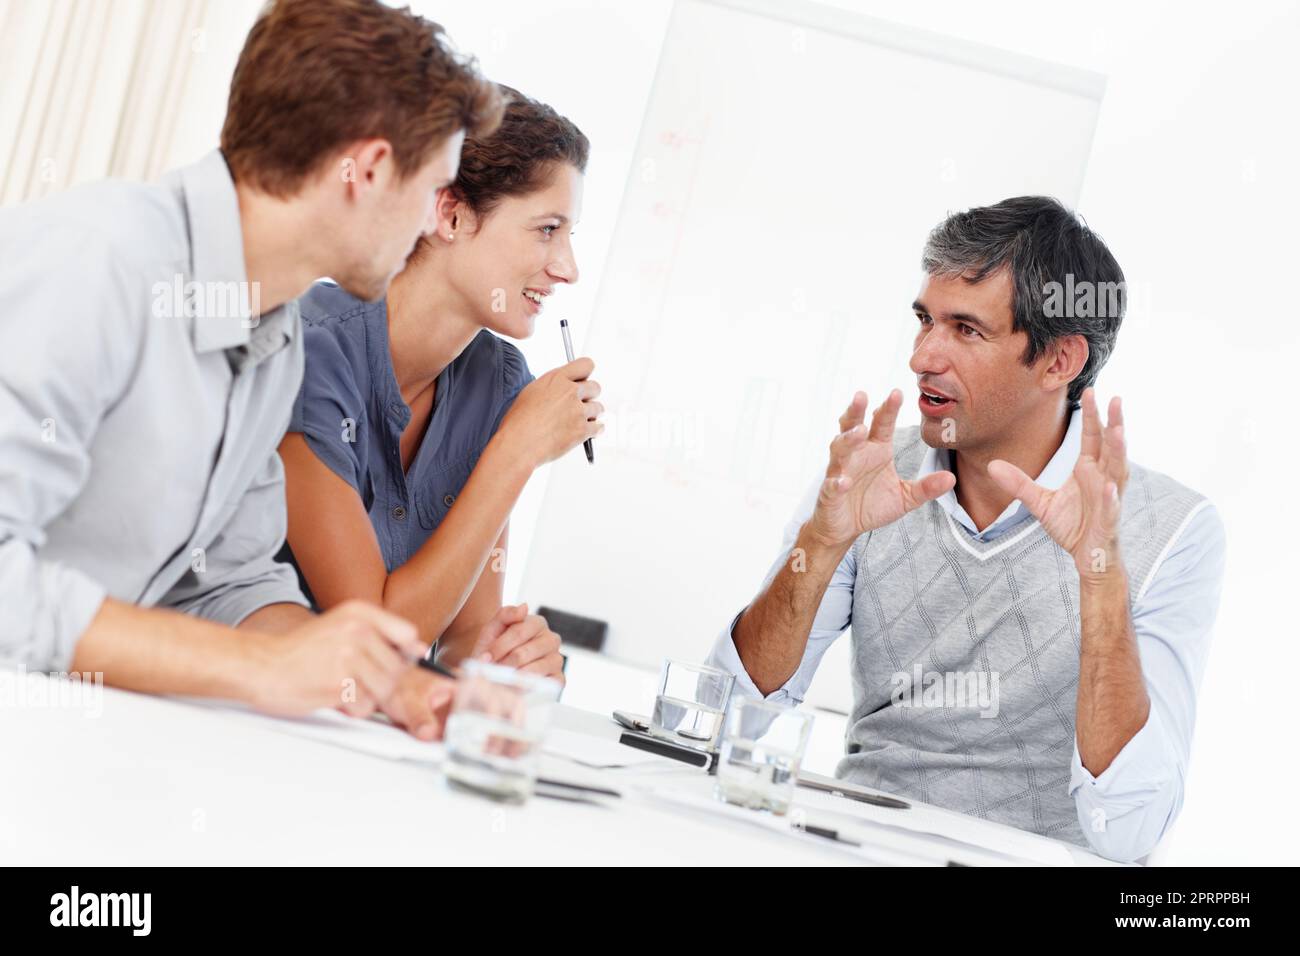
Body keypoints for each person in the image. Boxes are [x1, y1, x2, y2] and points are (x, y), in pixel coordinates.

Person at [0, 0, 503, 735]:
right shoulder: (100, 261)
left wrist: (378, 679)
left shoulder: (274, 335)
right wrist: (259, 669)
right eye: (433, 190)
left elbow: (226, 582)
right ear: (364, 170)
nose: (434, 223)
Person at [707, 197, 1225, 862]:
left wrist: (1100, 578)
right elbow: (728, 719)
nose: (924, 356)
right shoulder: (870, 471)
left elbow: (1127, 830)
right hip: (854, 845)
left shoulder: (1172, 527)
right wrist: (822, 539)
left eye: (966, 331)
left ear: (1059, 361)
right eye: (924, 322)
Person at [278, 89, 601, 715]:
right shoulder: (310, 353)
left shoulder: (501, 382)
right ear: (450, 215)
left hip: (371, 742)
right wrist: (516, 452)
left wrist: (508, 663)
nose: (567, 268)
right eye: (547, 230)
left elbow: (456, 640)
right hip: (250, 716)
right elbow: (381, 639)